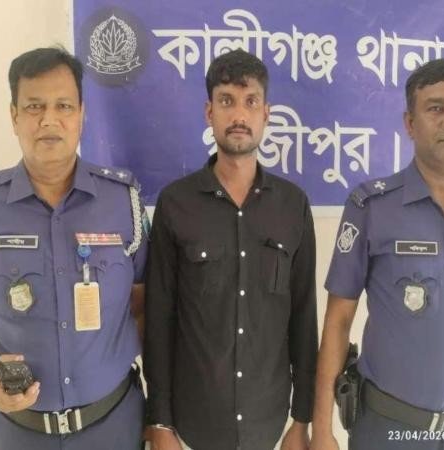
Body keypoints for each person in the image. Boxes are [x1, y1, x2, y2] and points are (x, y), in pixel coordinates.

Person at [0, 47, 148, 450]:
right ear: (14, 116)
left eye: (63, 106)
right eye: (34, 106)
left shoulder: (122, 200)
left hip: (114, 428)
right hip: (17, 435)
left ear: (81, 115)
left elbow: (146, 303)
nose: (49, 120)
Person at [310, 59, 444, 450]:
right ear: (410, 124)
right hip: (390, 431)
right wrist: (321, 430)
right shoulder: (372, 207)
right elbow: (338, 321)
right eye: (436, 108)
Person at [144, 49, 318, 450]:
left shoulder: (292, 205)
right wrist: (160, 422)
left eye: (250, 101)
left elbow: (303, 316)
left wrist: (302, 419)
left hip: (271, 425)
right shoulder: (175, 203)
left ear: (266, 114)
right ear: (209, 112)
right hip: (191, 427)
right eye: (226, 101)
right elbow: (159, 319)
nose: (239, 115)